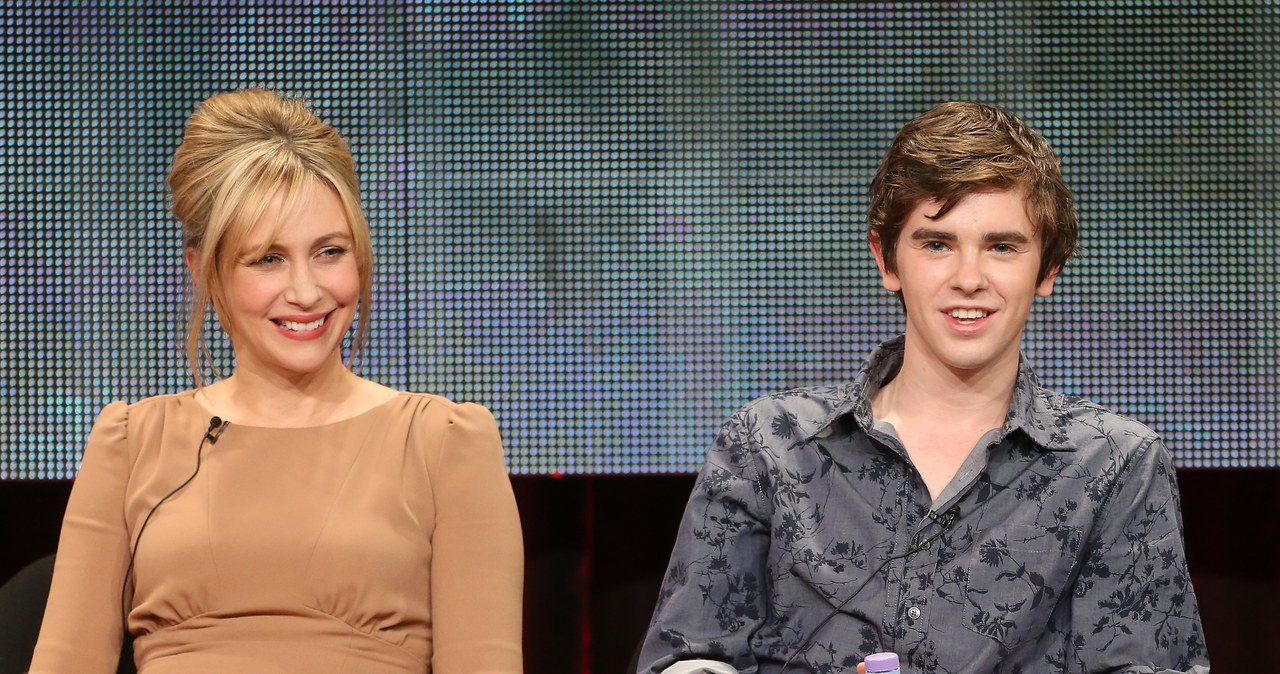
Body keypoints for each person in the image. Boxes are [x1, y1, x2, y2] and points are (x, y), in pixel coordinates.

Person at [638, 102, 1209, 673]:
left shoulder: (1114, 464)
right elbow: (690, 658)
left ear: (1047, 270)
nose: (968, 278)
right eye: (937, 244)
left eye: (1001, 246)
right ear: (886, 259)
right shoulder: (772, 443)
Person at [29, 88, 524, 673]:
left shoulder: (444, 441)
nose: (307, 292)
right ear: (205, 269)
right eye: (267, 259)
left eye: (329, 252)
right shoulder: (132, 441)